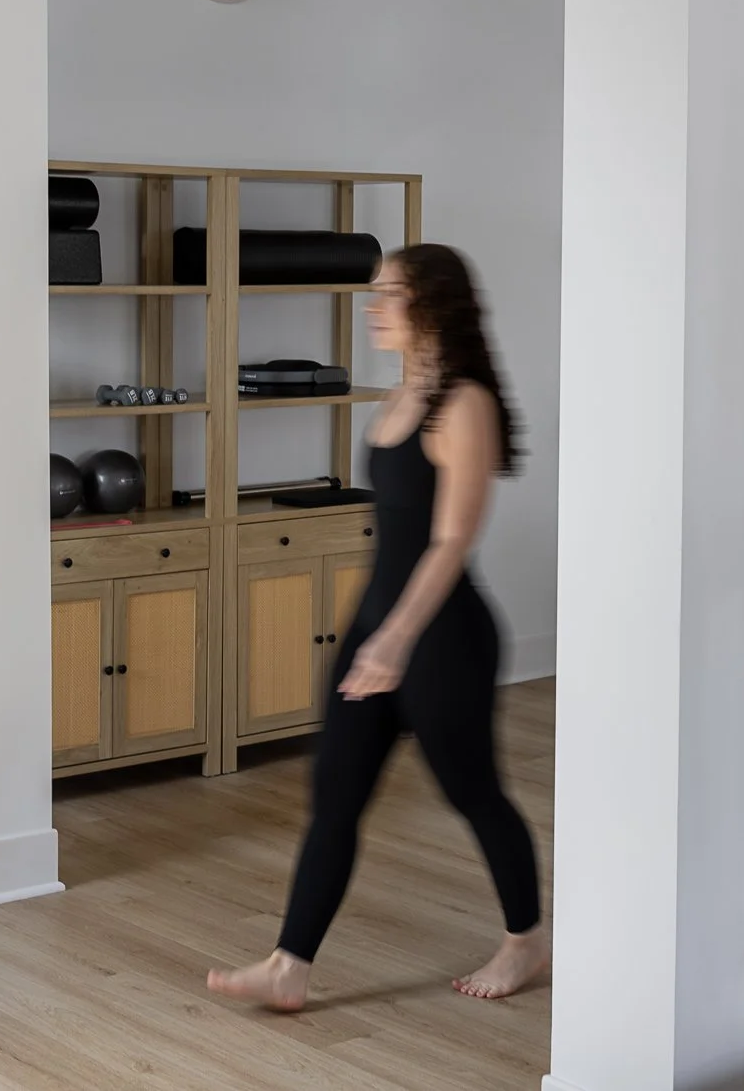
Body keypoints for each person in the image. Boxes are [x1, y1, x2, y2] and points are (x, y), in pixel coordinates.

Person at [207, 243, 546, 1013]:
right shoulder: (396, 397)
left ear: (434, 306)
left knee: (474, 793)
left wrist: (396, 639)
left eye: (389, 292)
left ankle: (525, 940)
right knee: (335, 793)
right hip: (378, 624)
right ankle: (290, 964)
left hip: (443, 638)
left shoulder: (464, 405)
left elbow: (452, 540)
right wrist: (373, 633)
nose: (373, 304)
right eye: (376, 290)